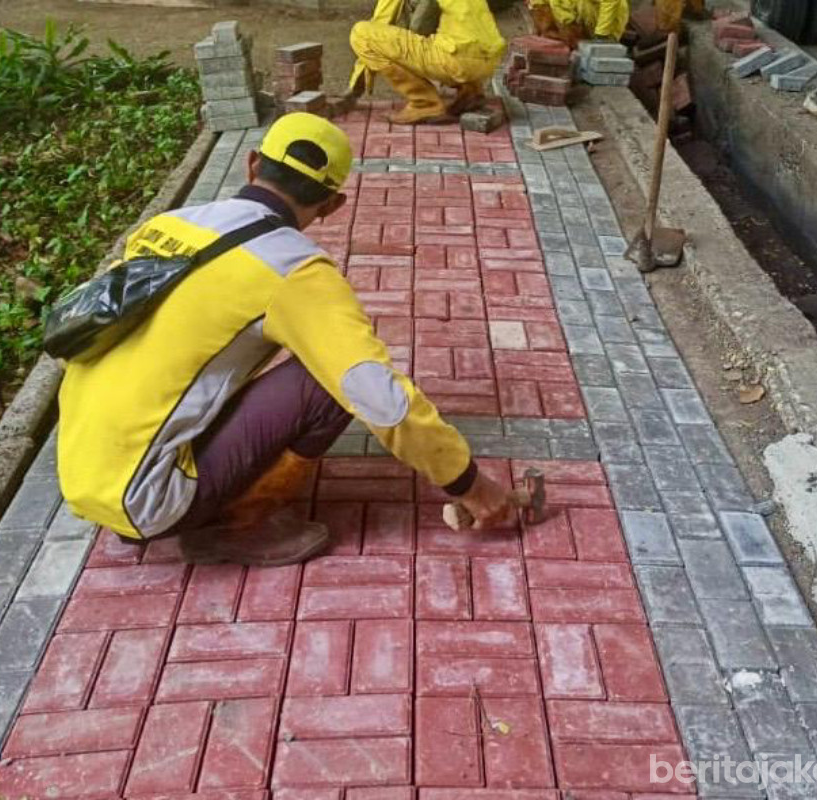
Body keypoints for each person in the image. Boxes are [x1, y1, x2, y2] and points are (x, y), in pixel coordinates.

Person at [57, 113, 516, 566]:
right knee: (330, 382)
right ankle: (236, 525)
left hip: (83, 471)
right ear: (334, 205)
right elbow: (380, 398)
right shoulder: (294, 270)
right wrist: (469, 484)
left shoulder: (169, 225)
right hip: (149, 497)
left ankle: (179, 486)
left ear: (253, 163)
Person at [348, 0, 507, 125]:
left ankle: (424, 103)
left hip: (456, 61)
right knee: (457, 32)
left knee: (361, 33)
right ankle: (471, 92)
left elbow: (392, 23)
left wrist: (355, 88)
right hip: (489, 60)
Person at [528, 0, 630, 46]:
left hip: (606, 20)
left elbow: (611, 2)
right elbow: (538, 6)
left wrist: (601, 34)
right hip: (576, 19)